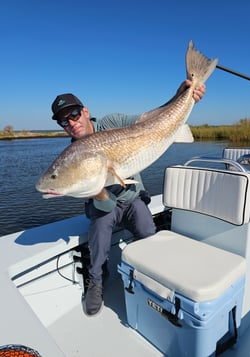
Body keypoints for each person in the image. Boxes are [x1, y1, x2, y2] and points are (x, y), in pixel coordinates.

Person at [51, 80, 206, 316]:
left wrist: (181, 96)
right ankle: (97, 281)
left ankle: (153, 272)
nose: (71, 123)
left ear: (85, 112)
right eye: (64, 121)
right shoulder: (73, 156)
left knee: (147, 230)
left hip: (132, 198)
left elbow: (149, 119)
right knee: (101, 228)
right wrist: (96, 191)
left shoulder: (111, 123)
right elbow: (105, 204)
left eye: (74, 114)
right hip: (105, 207)